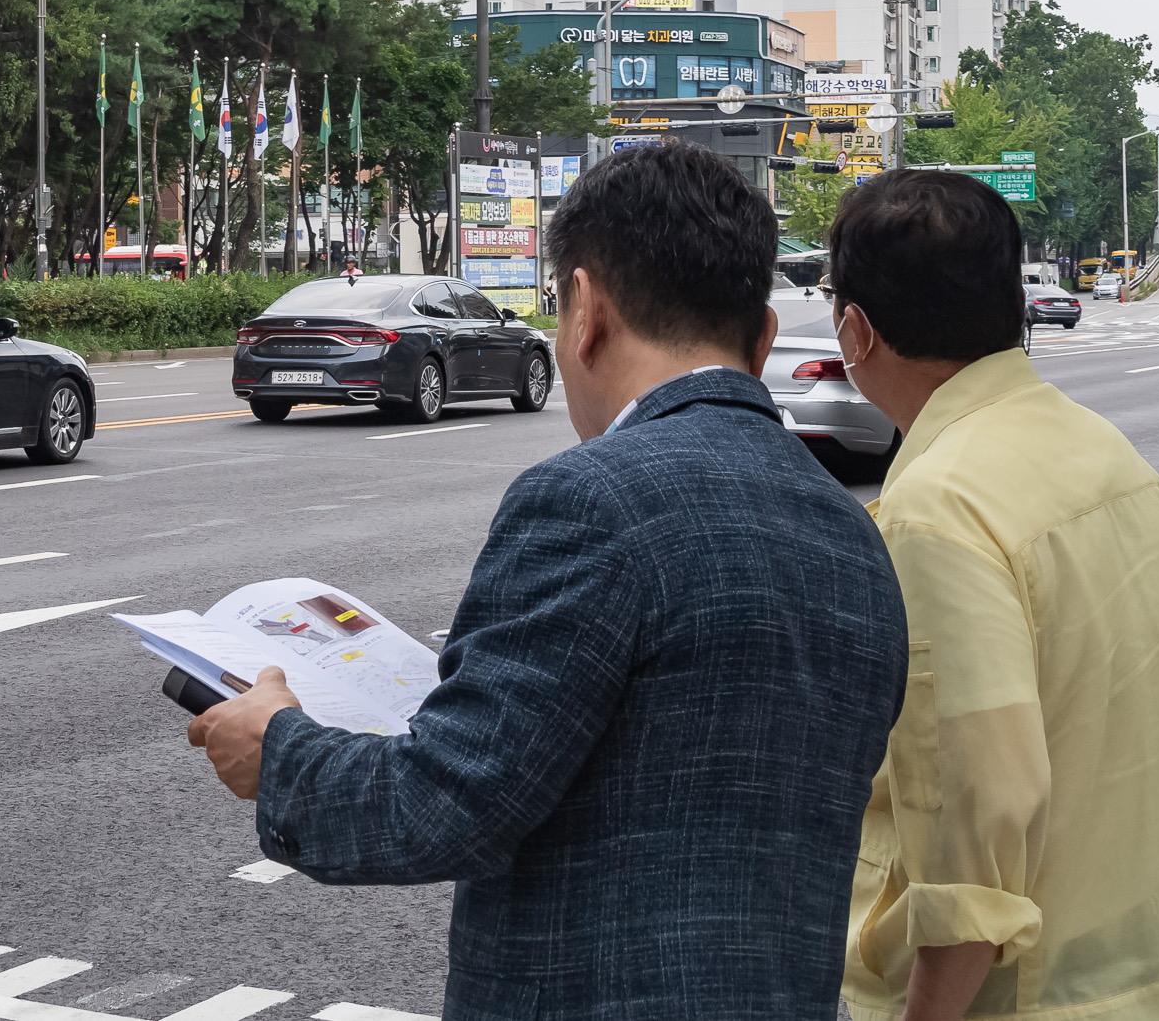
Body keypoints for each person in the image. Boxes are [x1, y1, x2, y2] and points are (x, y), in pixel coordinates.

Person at [188, 144, 908, 1019]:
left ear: (584, 309)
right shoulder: (854, 532)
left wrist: (281, 748)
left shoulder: (589, 498)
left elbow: (448, 803)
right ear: (761, 337)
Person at [823, 170, 1159, 1021]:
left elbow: (979, 809)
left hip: (1016, 1002)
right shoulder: (1112, 457)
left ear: (855, 329)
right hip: (1143, 979)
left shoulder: (938, 509)